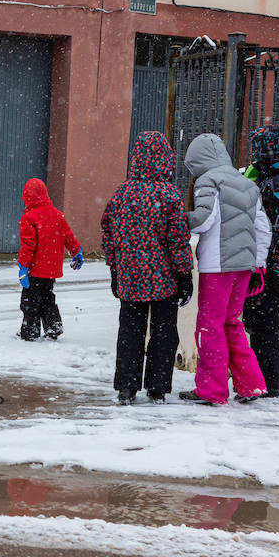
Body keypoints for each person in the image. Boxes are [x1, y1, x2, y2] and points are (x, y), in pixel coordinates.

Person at [101, 132, 194, 405]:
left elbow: (109, 234)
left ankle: (127, 387)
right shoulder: (169, 196)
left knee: (130, 332)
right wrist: (185, 275)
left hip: (130, 279)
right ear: (166, 159)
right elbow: (178, 241)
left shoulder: (121, 195)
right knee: (164, 333)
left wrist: (115, 270)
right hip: (163, 279)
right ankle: (158, 387)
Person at [179, 133, 271, 406]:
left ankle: (211, 390)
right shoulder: (247, 184)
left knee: (209, 326)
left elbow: (204, 220)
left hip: (217, 264)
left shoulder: (209, 180)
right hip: (244, 266)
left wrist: (177, 220)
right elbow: (263, 228)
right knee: (232, 323)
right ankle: (251, 384)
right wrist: (258, 265)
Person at [243, 122, 279, 398]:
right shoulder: (276, 176)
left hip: (269, 265)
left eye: (262, 149)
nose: (257, 155)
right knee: (266, 322)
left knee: (262, 323)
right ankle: (278, 377)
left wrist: (270, 269)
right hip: (270, 264)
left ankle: (269, 381)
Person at [16, 177, 82, 341]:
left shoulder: (29, 218)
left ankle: (30, 331)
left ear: (27, 197)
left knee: (29, 301)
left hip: (35, 270)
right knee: (47, 298)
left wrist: (23, 267)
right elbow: (68, 236)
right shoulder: (58, 215)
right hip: (51, 269)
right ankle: (53, 326)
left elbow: (28, 247)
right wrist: (77, 252)